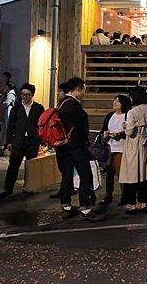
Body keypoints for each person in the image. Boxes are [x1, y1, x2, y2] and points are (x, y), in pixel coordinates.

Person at [55, 77, 104, 221]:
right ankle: (86, 209)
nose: (84, 93)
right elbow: (81, 128)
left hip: (62, 147)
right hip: (76, 146)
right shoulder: (74, 105)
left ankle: (66, 207)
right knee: (86, 175)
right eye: (83, 89)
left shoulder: (61, 104)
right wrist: (85, 143)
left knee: (66, 176)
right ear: (78, 89)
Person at [0, 84, 45, 198]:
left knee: (31, 165)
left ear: (32, 95)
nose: (25, 97)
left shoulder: (38, 108)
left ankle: (29, 187)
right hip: (18, 140)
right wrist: (9, 141)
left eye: (28, 95)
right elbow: (11, 125)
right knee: (13, 165)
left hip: (32, 141)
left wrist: (42, 140)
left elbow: (42, 125)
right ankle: (7, 188)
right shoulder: (17, 107)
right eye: (23, 94)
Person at [118, 87, 147, 214]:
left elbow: (129, 131)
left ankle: (132, 204)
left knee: (131, 175)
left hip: (134, 145)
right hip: (146, 144)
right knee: (144, 175)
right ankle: (143, 203)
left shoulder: (132, 112)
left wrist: (124, 125)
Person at [98, 94, 132, 205]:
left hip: (121, 147)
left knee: (120, 173)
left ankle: (125, 196)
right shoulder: (109, 116)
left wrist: (119, 135)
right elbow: (103, 129)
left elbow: (129, 132)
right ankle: (108, 195)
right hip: (109, 147)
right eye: (114, 101)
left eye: (117, 101)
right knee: (109, 173)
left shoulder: (127, 116)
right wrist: (105, 133)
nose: (115, 103)